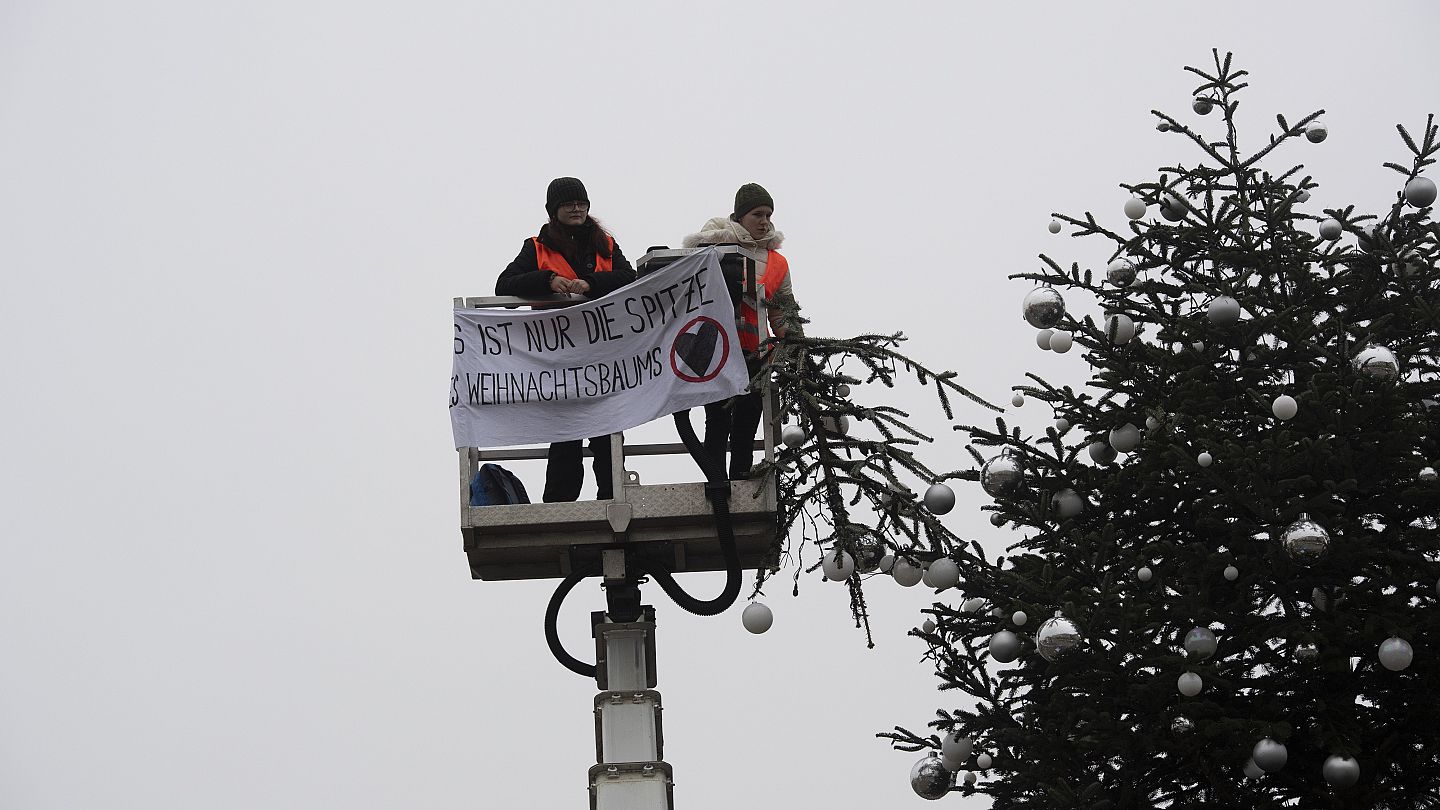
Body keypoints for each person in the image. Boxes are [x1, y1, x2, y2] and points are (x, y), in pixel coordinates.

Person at [496, 177, 636, 502]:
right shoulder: (536, 246)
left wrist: (590, 283)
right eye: (568, 203)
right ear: (553, 210)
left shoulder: (607, 245)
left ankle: (613, 501)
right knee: (565, 438)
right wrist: (549, 279)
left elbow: (630, 279)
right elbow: (505, 284)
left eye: (581, 203)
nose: (576, 208)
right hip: (558, 359)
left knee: (607, 436)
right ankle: (558, 505)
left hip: (602, 356)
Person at [681, 182, 802, 480]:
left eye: (768, 215)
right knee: (718, 419)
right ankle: (716, 483)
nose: (765, 222)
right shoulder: (712, 246)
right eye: (757, 214)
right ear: (740, 216)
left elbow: (782, 310)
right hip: (717, 348)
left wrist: (797, 343)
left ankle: (740, 479)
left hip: (756, 352)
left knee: (748, 420)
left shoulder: (777, 262)